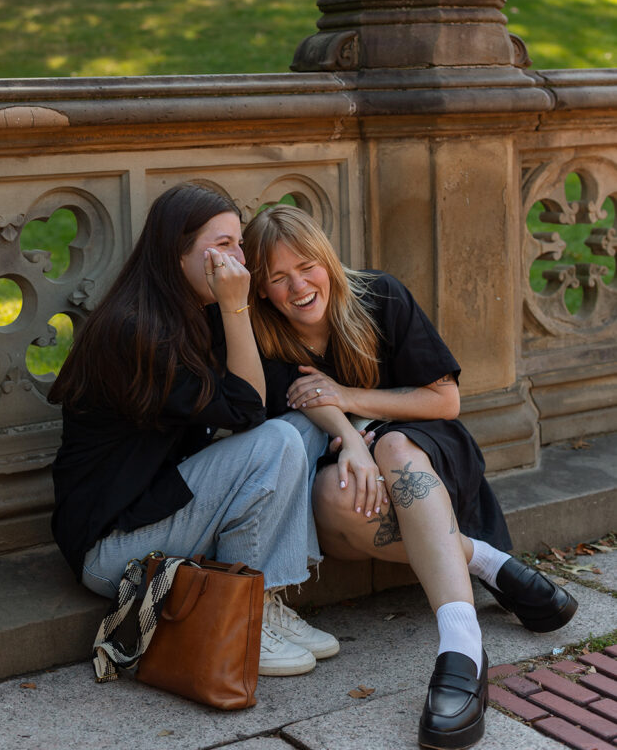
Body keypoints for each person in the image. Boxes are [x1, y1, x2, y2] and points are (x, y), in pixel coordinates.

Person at [243, 205, 577, 749]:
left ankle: (461, 647)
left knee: (396, 445)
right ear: (260, 289)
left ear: (327, 260)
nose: (298, 286)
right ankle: (487, 561)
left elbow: (445, 399)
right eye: (278, 278)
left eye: (307, 266)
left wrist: (351, 400)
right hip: (356, 480)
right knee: (335, 490)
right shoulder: (262, 332)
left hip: (426, 452)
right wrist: (351, 439)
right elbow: (304, 395)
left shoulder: (380, 296)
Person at [48, 183, 338, 679]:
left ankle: (265, 604)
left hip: (164, 505)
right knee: (278, 439)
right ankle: (241, 616)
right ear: (176, 253)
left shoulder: (192, 311)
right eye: (222, 245)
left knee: (300, 428)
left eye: (238, 245)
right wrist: (235, 306)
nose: (239, 263)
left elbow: (265, 402)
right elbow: (248, 410)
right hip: (114, 547)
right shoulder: (135, 330)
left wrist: (351, 434)